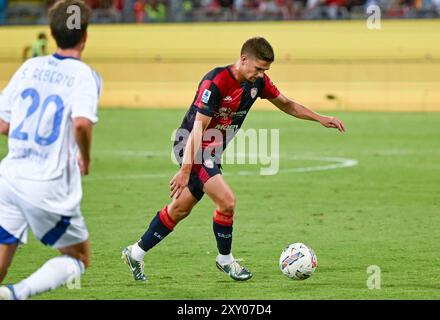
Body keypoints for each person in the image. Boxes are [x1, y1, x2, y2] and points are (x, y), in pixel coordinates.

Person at [122, 37, 345, 282]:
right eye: (258, 68)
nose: (261, 74)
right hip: (192, 148)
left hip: (211, 153)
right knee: (227, 202)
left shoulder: (258, 83)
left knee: (180, 209)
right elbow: (198, 127)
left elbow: (287, 104)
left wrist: (320, 117)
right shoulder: (215, 82)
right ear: (243, 59)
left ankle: (135, 252)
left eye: (265, 71)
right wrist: (186, 169)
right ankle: (225, 260)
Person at [0, 0, 101, 300]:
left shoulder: (30, 66)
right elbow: (81, 124)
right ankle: (16, 294)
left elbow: (3, 124)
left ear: (52, 33)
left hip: (10, 176)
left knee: (3, 249)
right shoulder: (85, 75)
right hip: (47, 183)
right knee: (79, 257)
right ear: (84, 35)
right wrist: (85, 156)